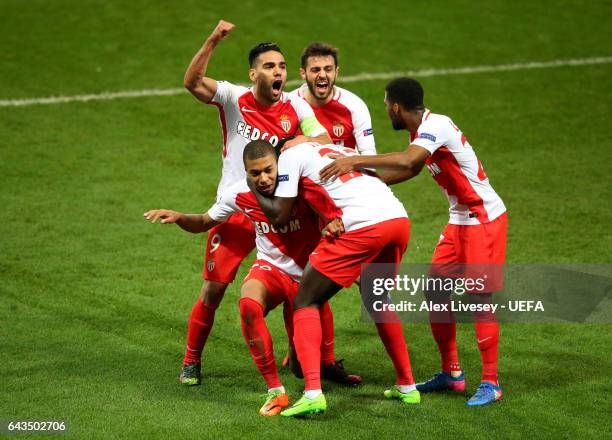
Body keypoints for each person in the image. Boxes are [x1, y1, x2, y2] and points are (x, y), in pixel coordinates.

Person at [319, 77, 508, 406]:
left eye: (385, 105)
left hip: (483, 219)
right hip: (459, 220)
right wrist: (367, 182)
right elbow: (413, 168)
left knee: (480, 299)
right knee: (435, 289)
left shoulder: (437, 126)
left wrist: (355, 161)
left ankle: (491, 382)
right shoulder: (421, 130)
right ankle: (452, 373)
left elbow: (408, 160)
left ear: (395, 106)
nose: (385, 111)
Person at [144, 141, 358, 415]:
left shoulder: (301, 185)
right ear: (246, 172)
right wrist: (179, 216)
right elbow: (204, 221)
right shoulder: (238, 194)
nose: (264, 178)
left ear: (279, 165)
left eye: (268, 170)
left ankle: (317, 363)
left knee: (301, 370)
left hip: (306, 279)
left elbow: (336, 214)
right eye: (255, 173)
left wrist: (331, 223)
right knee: (248, 305)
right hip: (270, 269)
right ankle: (275, 391)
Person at [180, 20, 332, 385]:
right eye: (269, 66)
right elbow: (193, 82)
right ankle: (191, 360)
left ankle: (307, 357)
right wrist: (213, 39)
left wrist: (291, 144)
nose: (278, 72)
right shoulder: (234, 98)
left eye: (281, 66)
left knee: (300, 286)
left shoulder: (295, 109)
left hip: (278, 212)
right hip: (234, 210)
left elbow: (323, 138)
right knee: (214, 289)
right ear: (254, 73)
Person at [247, 140, 420, 417]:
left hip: (363, 225)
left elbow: (279, 216)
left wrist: (252, 184)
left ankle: (313, 393)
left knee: (305, 299)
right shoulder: (342, 149)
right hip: (398, 220)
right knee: (377, 300)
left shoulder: (291, 155)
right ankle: (407, 385)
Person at [289, 42, 376, 154]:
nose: (322, 75)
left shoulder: (354, 105)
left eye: (328, 69)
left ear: (336, 72)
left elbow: (368, 153)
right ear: (303, 73)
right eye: (316, 70)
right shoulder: (289, 104)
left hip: (344, 170)